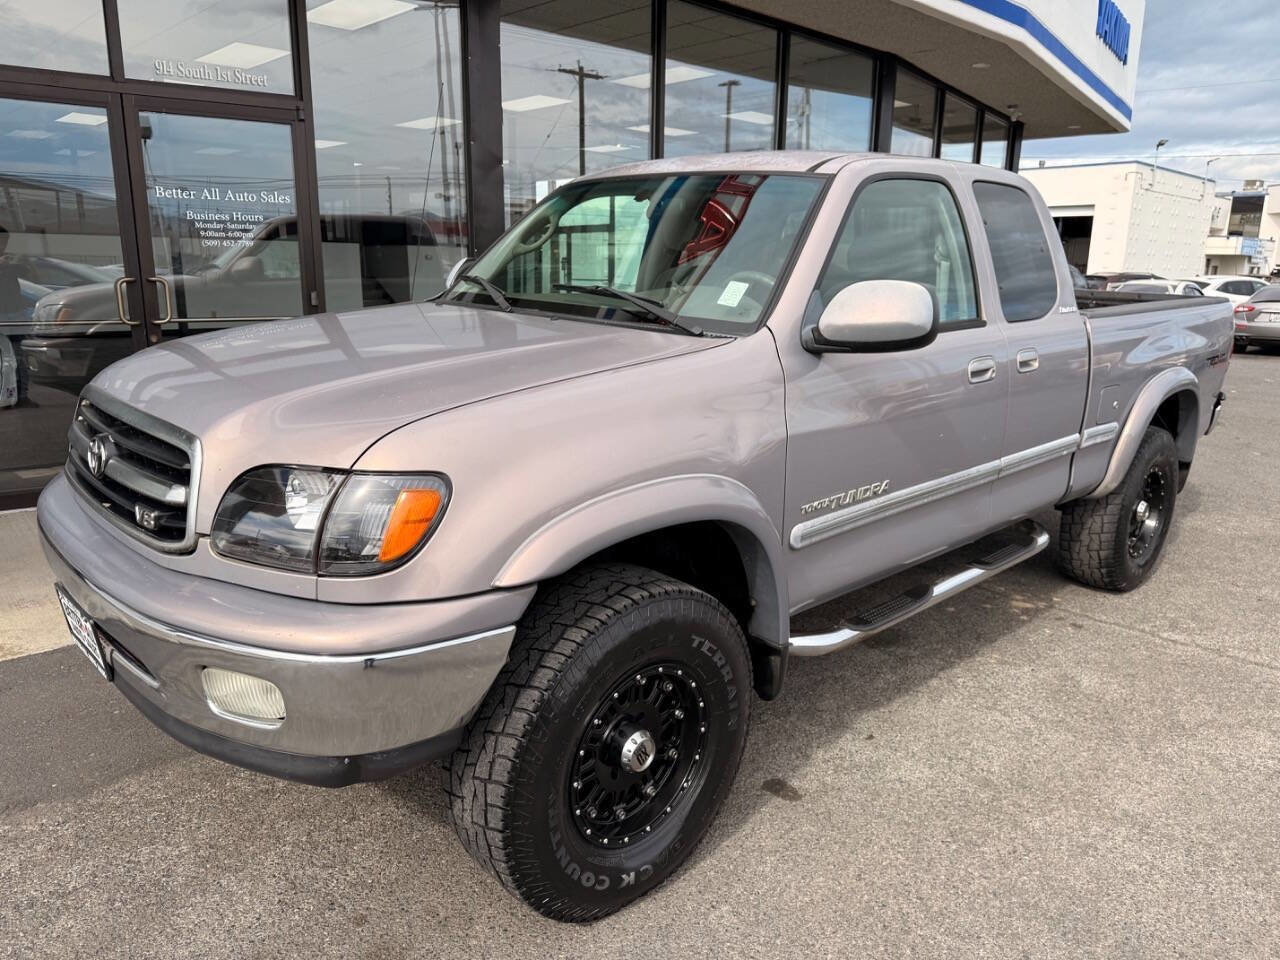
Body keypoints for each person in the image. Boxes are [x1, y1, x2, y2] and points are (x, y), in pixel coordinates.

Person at [0, 224, 35, 408]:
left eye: (5, 241)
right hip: (4, 316)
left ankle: (21, 396)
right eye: (1, 241)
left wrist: (18, 263)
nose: (3, 245)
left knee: (19, 356)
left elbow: (28, 273)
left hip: (14, 315)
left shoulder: (10, 260)